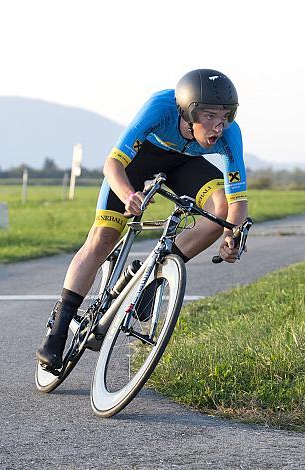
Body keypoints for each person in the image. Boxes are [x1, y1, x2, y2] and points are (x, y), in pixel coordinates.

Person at [36, 69, 248, 369]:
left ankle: (151, 278)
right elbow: (112, 163)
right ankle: (58, 329)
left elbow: (238, 198)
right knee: (103, 237)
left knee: (221, 210)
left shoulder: (229, 134)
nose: (220, 125)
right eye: (210, 116)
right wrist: (127, 195)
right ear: (188, 111)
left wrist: (231, 237)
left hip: (184, 164)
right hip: (137, 163)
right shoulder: (160, 107)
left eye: (226, 115)